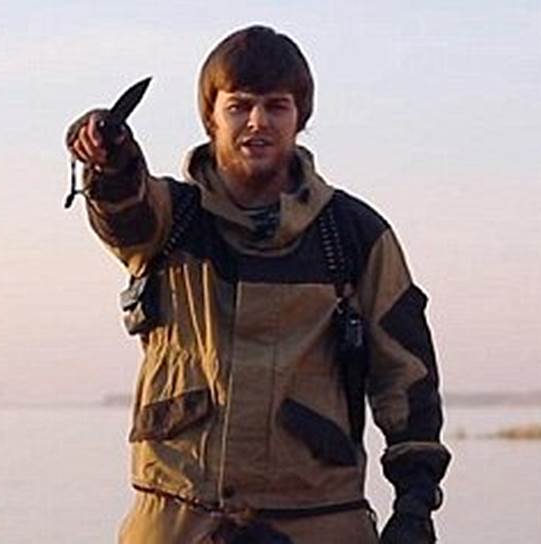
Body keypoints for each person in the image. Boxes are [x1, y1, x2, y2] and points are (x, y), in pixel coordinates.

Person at [66, 25, 450, 544]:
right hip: (177, 520)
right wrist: (110, 162)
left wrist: (415, 505)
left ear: (300, 118)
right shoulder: (170, 220)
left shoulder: (355, 235)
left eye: (276, 106)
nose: (257, 121)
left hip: (318, 521)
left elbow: (405, 375)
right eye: (239, 105)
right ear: (211, 117)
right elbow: (123, 213)